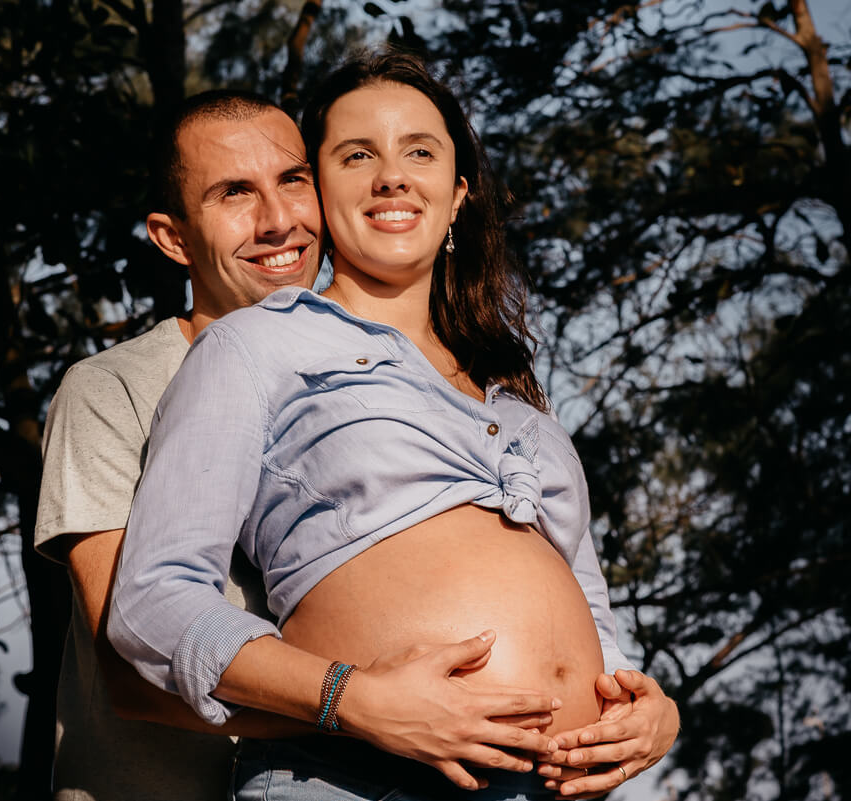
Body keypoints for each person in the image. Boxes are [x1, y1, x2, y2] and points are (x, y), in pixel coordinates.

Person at [108, 53, 679, 801]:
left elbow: (601, 635)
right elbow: (153, 601)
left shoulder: (524, 415)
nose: (391, 176)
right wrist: (352, 697)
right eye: (356, 155)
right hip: (356, 780)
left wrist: (648, 715)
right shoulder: (256, 344)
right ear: (319, 189)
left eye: (419, 150)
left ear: (458, 192)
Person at [36, 89, 569, 801]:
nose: (278, 220)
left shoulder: (365, 377)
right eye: (234, 194)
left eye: (293, 181)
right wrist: (372, 706)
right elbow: (134, 674)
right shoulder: (112, 389)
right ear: (172, 237)